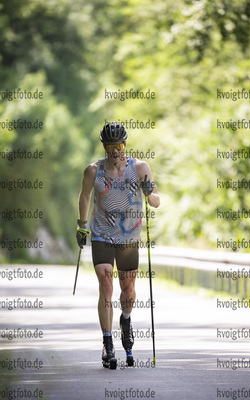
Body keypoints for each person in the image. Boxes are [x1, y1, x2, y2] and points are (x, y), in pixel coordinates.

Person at [76, 121, 160, 369]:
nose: (115, 150)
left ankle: (126, 320)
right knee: (105, 282)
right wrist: (81, 225)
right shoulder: (93, 170)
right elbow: (85, 196)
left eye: (120, 145)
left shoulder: (140, 167)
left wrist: (148, 192)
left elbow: (156, 201)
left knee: (128, 288)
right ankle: (107, 342)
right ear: (104, 146)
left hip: (129, 237)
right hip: (102, 234)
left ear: (125, 144)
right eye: (110, 146)